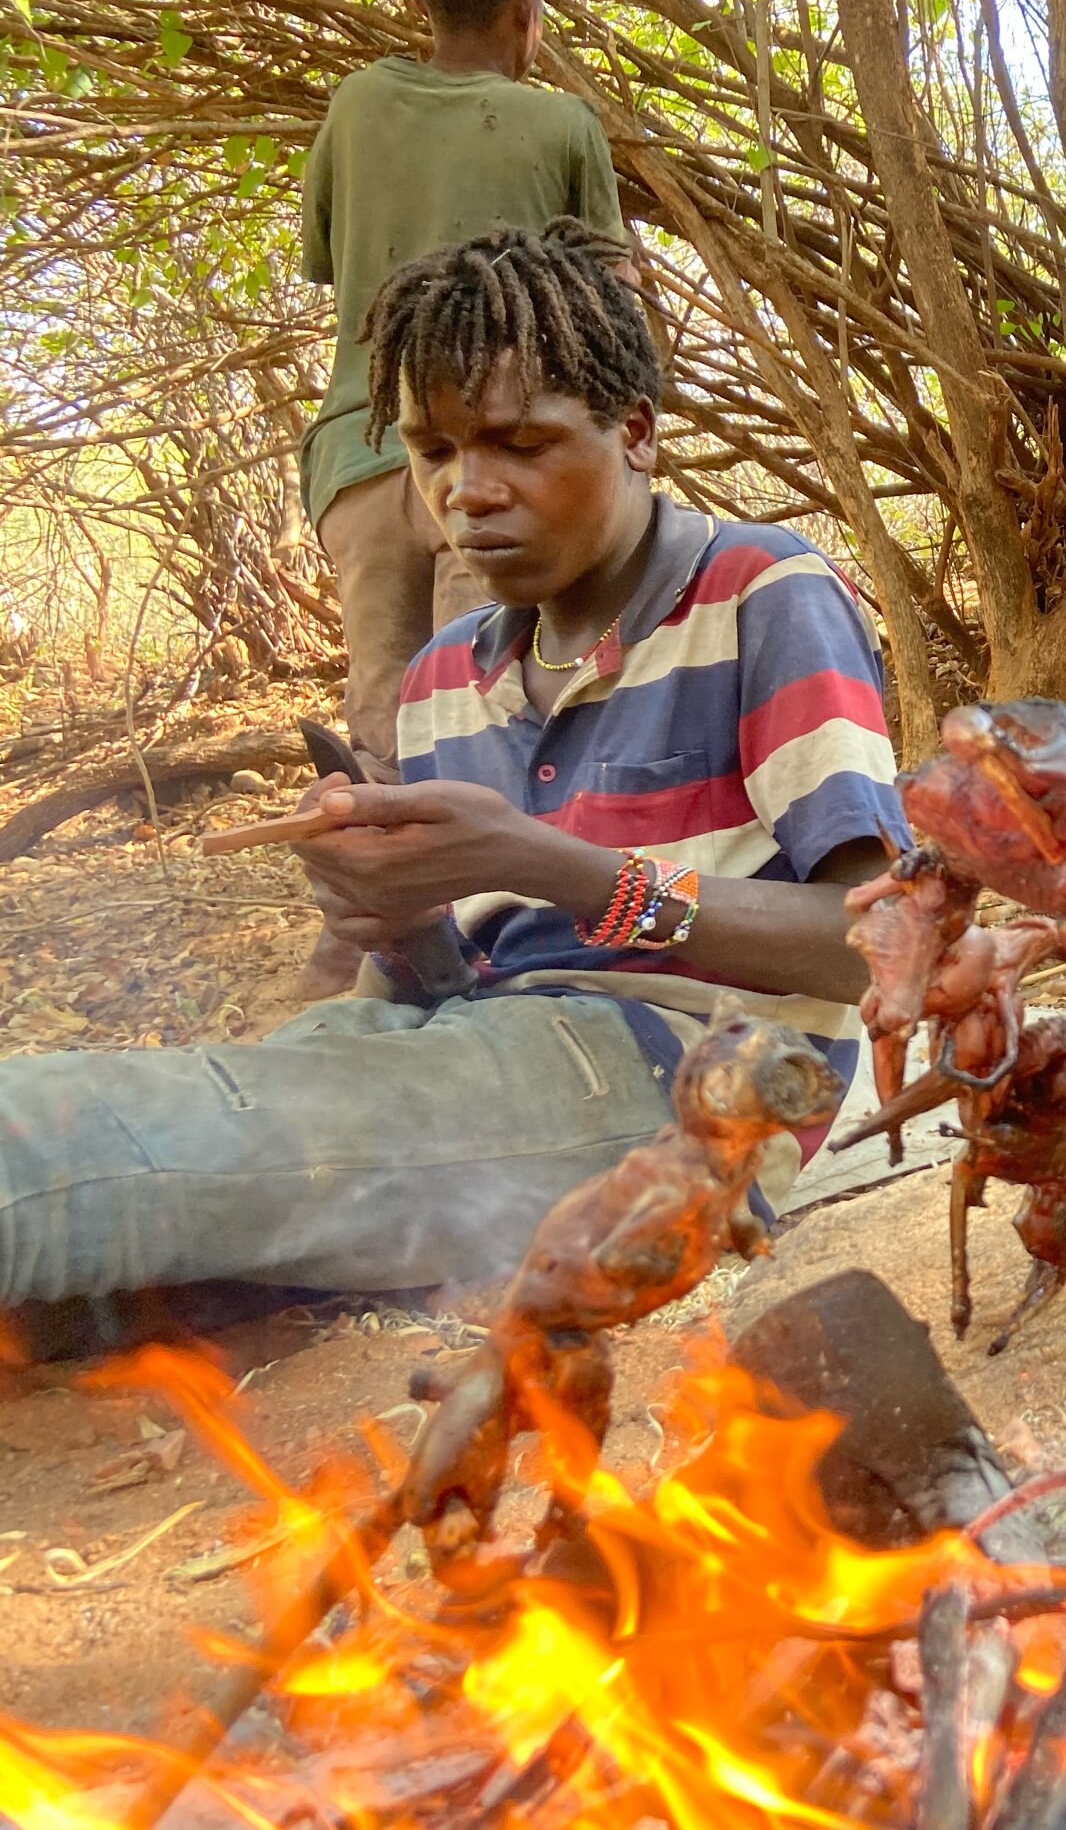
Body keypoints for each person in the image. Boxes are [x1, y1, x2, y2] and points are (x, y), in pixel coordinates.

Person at [0, 221, 901, 1319]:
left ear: (637, 433)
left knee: (95, 1145)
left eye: (519, 443)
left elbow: (874, 950)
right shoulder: (444, 676)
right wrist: (384, 912)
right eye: (432, 452)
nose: (467, 492)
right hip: (488, 1052)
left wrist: (564, 871)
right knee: (142, 1199)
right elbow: (440, 995)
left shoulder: (762, 592)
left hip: (696, 1079)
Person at [299, 0, 628, 989]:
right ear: (528, 16)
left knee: (389, 731)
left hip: (362, 450)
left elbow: (321, 256)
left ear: (421, 5)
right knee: (487, 717)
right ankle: (505, 965)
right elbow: (611, 309)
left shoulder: (356, 105)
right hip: (491, 461)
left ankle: (361, 972)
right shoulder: (560, 126)